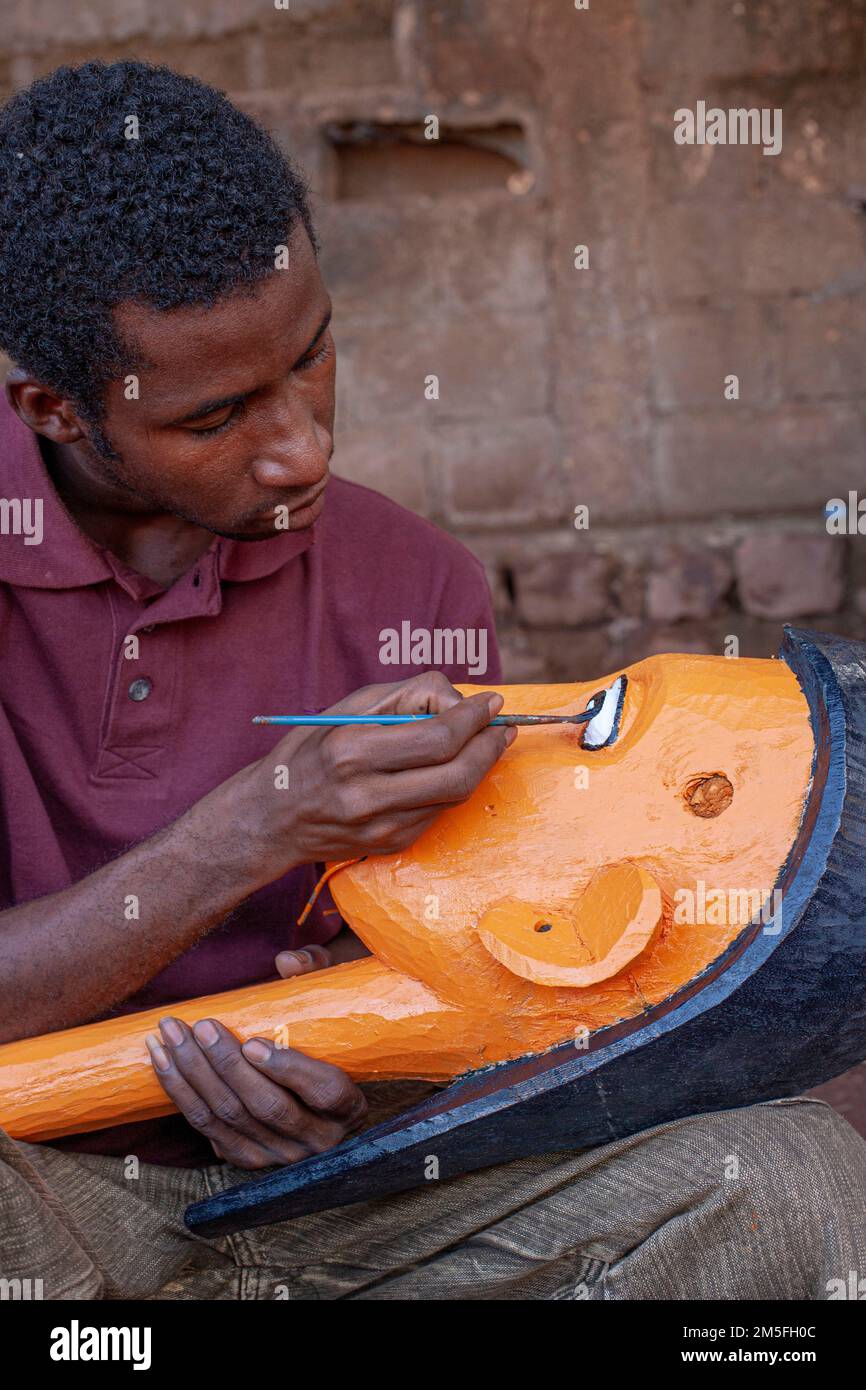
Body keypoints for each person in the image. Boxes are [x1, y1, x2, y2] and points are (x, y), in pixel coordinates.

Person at [0, 60, 863, 1301]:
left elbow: (498, 996)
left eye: (313, 355)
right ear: (56, 409)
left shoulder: (418, 586)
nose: (302, 441)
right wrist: (249, 830)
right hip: (48, 1189)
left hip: (346, 1201)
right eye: (215, 416)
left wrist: (372, 1093)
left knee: (786, 1181)